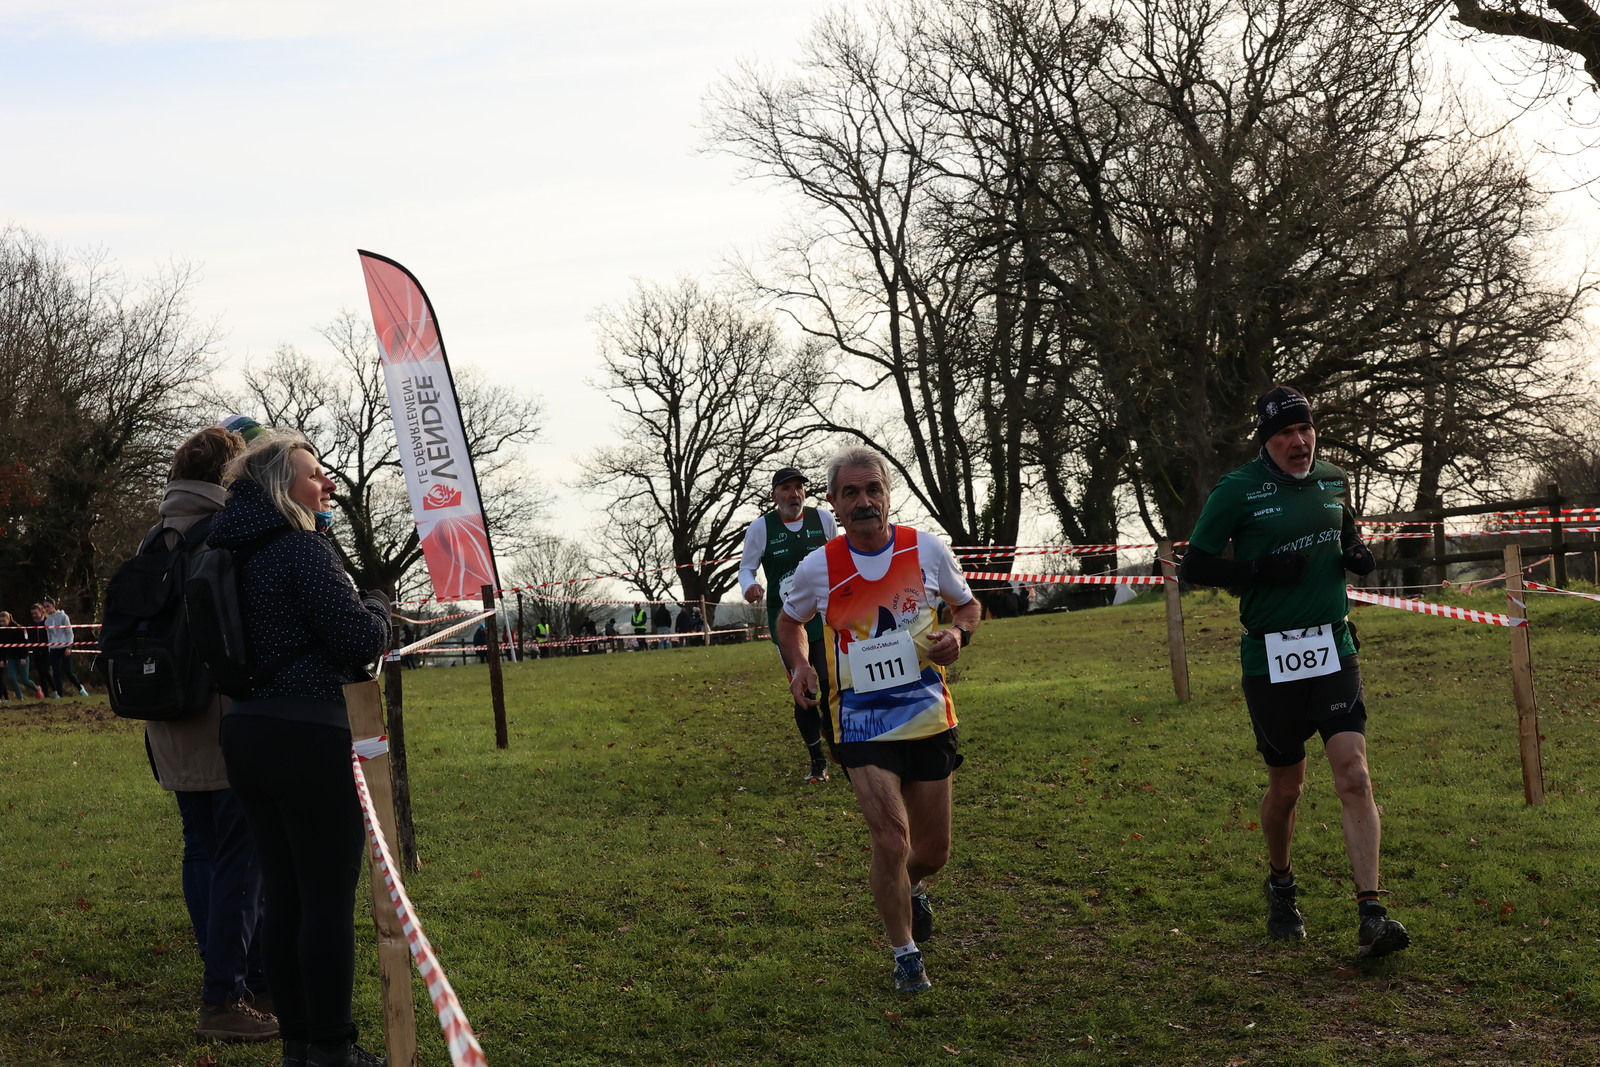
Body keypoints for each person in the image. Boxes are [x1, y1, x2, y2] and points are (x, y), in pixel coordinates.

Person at [1179, 384, 1407, 959]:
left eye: (1305, 429)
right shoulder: (1237, 489)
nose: (1299, 441)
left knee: (1353, 773)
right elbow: (1195, 566)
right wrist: (1260, 570)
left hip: (1333, 646)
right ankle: (1281, 883)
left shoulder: (1334, 479)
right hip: (1270, 658)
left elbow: (1345, 530)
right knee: (1287, 787)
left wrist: (1356, 552)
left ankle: (1372, 914)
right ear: (1267, 440)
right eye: (1285, 433)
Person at [211, 429, 392, 1067]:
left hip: (245, 732)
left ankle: (297, 1044)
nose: (327, 484)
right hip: (308, 734)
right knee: (324, 898)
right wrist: (377, 606)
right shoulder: (300, 548)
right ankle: (333, 1047)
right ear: (280, 487)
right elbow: (357, 640)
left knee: (283, 895)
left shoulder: (223, 550)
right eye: (314, 474)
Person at [778, 446, 979, 995]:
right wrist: (800, 667)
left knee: (931, 852)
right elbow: (789, 622)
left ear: (888, 494)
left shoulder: (926, 549)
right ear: (833, 503)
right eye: (851, 493)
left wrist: (957, 634)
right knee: (891, 839)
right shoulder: (819, 566)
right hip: (859, 719)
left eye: (873, 490)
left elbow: (967, 606)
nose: (864, 502)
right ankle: (905, 954)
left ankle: (907, 887)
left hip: (927, 714)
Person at [145, 426, 277, 1042]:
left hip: (167, 712)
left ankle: (232, 971)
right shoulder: (228, 530)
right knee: (241, 856)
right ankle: (225, 992)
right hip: (223, 709)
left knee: (199, 846)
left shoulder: (156, 535)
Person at [739, 466, 839, 783]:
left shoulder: (823, 519)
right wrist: (749, 586)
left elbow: (841, 556)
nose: (794, 494)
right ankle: (817, 760)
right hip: (787, 621)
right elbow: (746, 568)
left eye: (798, 487)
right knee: (804, 687)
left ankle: (838, 740)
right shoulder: (761, 528)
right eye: (786, 488)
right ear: (774, 496)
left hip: (824, 616)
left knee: (832, 682)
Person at [40, 597, 87, 697]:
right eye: (45, 607)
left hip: (64, 646)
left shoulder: (63, 617)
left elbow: (69, 633)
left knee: (68, 671)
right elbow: (49, 637)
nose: (46, 609)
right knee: (55, 672)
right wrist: (50, 649)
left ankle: (80, 688)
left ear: (54, 606)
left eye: (48, 606)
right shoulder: (47, 621)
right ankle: (60, 695)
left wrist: (69, 647)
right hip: (54, 648)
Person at [0, 610, 42, 700]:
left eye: (4, 621)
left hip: (22, 656)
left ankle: (37, 689)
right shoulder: (2, 631)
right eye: (0, 621)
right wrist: (2, 659)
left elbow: (24, 643)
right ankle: (20, 698)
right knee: (11, 677)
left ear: (9, 620)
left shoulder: (18, 629)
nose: (2, 623)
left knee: (25, 680)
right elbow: (3, 647)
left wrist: (23, 657)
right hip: (11, 657)